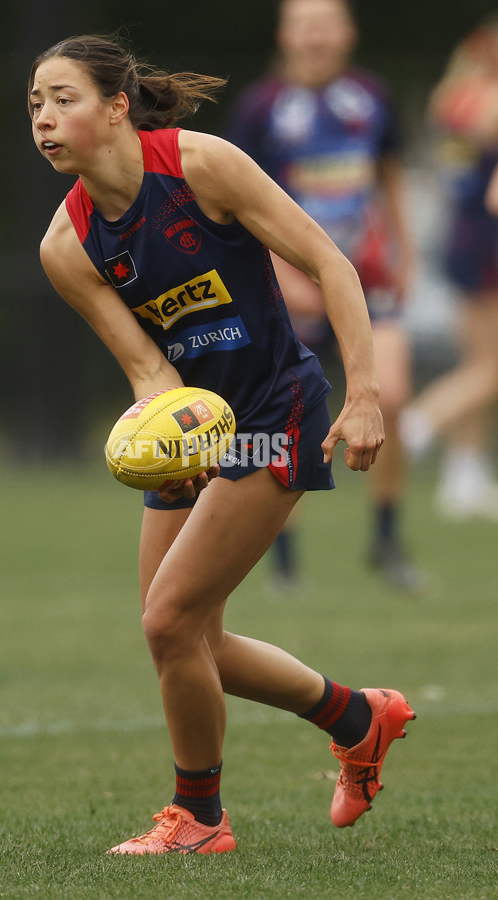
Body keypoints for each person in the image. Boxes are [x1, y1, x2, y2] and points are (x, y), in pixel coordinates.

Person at [29, 33, 415, 855]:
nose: (45, 119)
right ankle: (359, 717)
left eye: (65, 99)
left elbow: (329, 261)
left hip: (278, 410)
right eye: (35, 104)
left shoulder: (201, 166)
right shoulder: (66, 246)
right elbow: (148, 371)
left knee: (170, 622)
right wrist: (166, 438)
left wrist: (367, 395)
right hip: (202, 433)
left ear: (118, 106)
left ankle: (199, 820)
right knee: (184, 637)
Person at [226, 0, 422, 591]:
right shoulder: (260, 109)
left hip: (364, 274)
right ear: (286, 35)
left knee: (392, 393)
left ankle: (386, 539)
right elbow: (235, 204)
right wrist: (281, 277)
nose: (316, 36)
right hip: (287, 278)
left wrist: (405, 252)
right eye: (304, 24)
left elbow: (390, 175)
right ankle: (283, 559)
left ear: (348, 33)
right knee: (287, 414)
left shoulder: (372, 98)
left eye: (326, 23)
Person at [401, 18, 498, 521]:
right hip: (488, 242)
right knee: (491, 368)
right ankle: (417, 425)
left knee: (478, 357)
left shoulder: (454, 97)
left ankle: (465, 474)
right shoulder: (490, 102)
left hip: (462, 235)